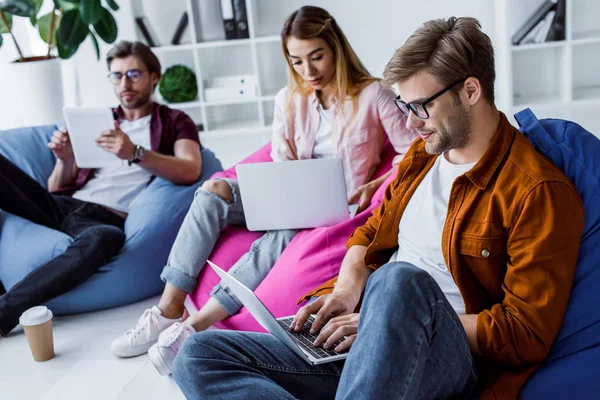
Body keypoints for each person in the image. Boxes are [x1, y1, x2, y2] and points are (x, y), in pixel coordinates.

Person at [171, 17, 585, 400]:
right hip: (365, 343)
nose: (410, 123)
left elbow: (526, 332)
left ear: (471, 91)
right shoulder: (422, 161)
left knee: (399, 281)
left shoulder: (536, 191)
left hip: (443, 357)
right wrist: (350, 288)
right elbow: (369, 233)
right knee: (200, 355)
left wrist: (382, 322)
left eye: (420, 106)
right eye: (404, 107)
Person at [112, 5, 416, 376]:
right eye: (298, 61)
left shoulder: (373, 94)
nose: (309, 71)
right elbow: (278, 158)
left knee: (282, 233)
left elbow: (410, 151)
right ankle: (168, 308)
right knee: (213, 189)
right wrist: (275, 192)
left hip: (336, 204)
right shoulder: (289, 99)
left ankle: (195, 326)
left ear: (336, 47)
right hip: (290, 191)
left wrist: (376, 183)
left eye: (317, 56)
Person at [0, 41, 202, 336]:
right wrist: (65, 159)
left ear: (154, 76)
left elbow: (191, 168)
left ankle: (5, 311)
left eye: (134, 74)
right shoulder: (98, 120)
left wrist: (136, 152)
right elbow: (55, 188)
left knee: (107, 238)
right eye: (116, 75)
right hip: (62, 207)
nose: (124, 84)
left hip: (102, 218)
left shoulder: (175, 121)